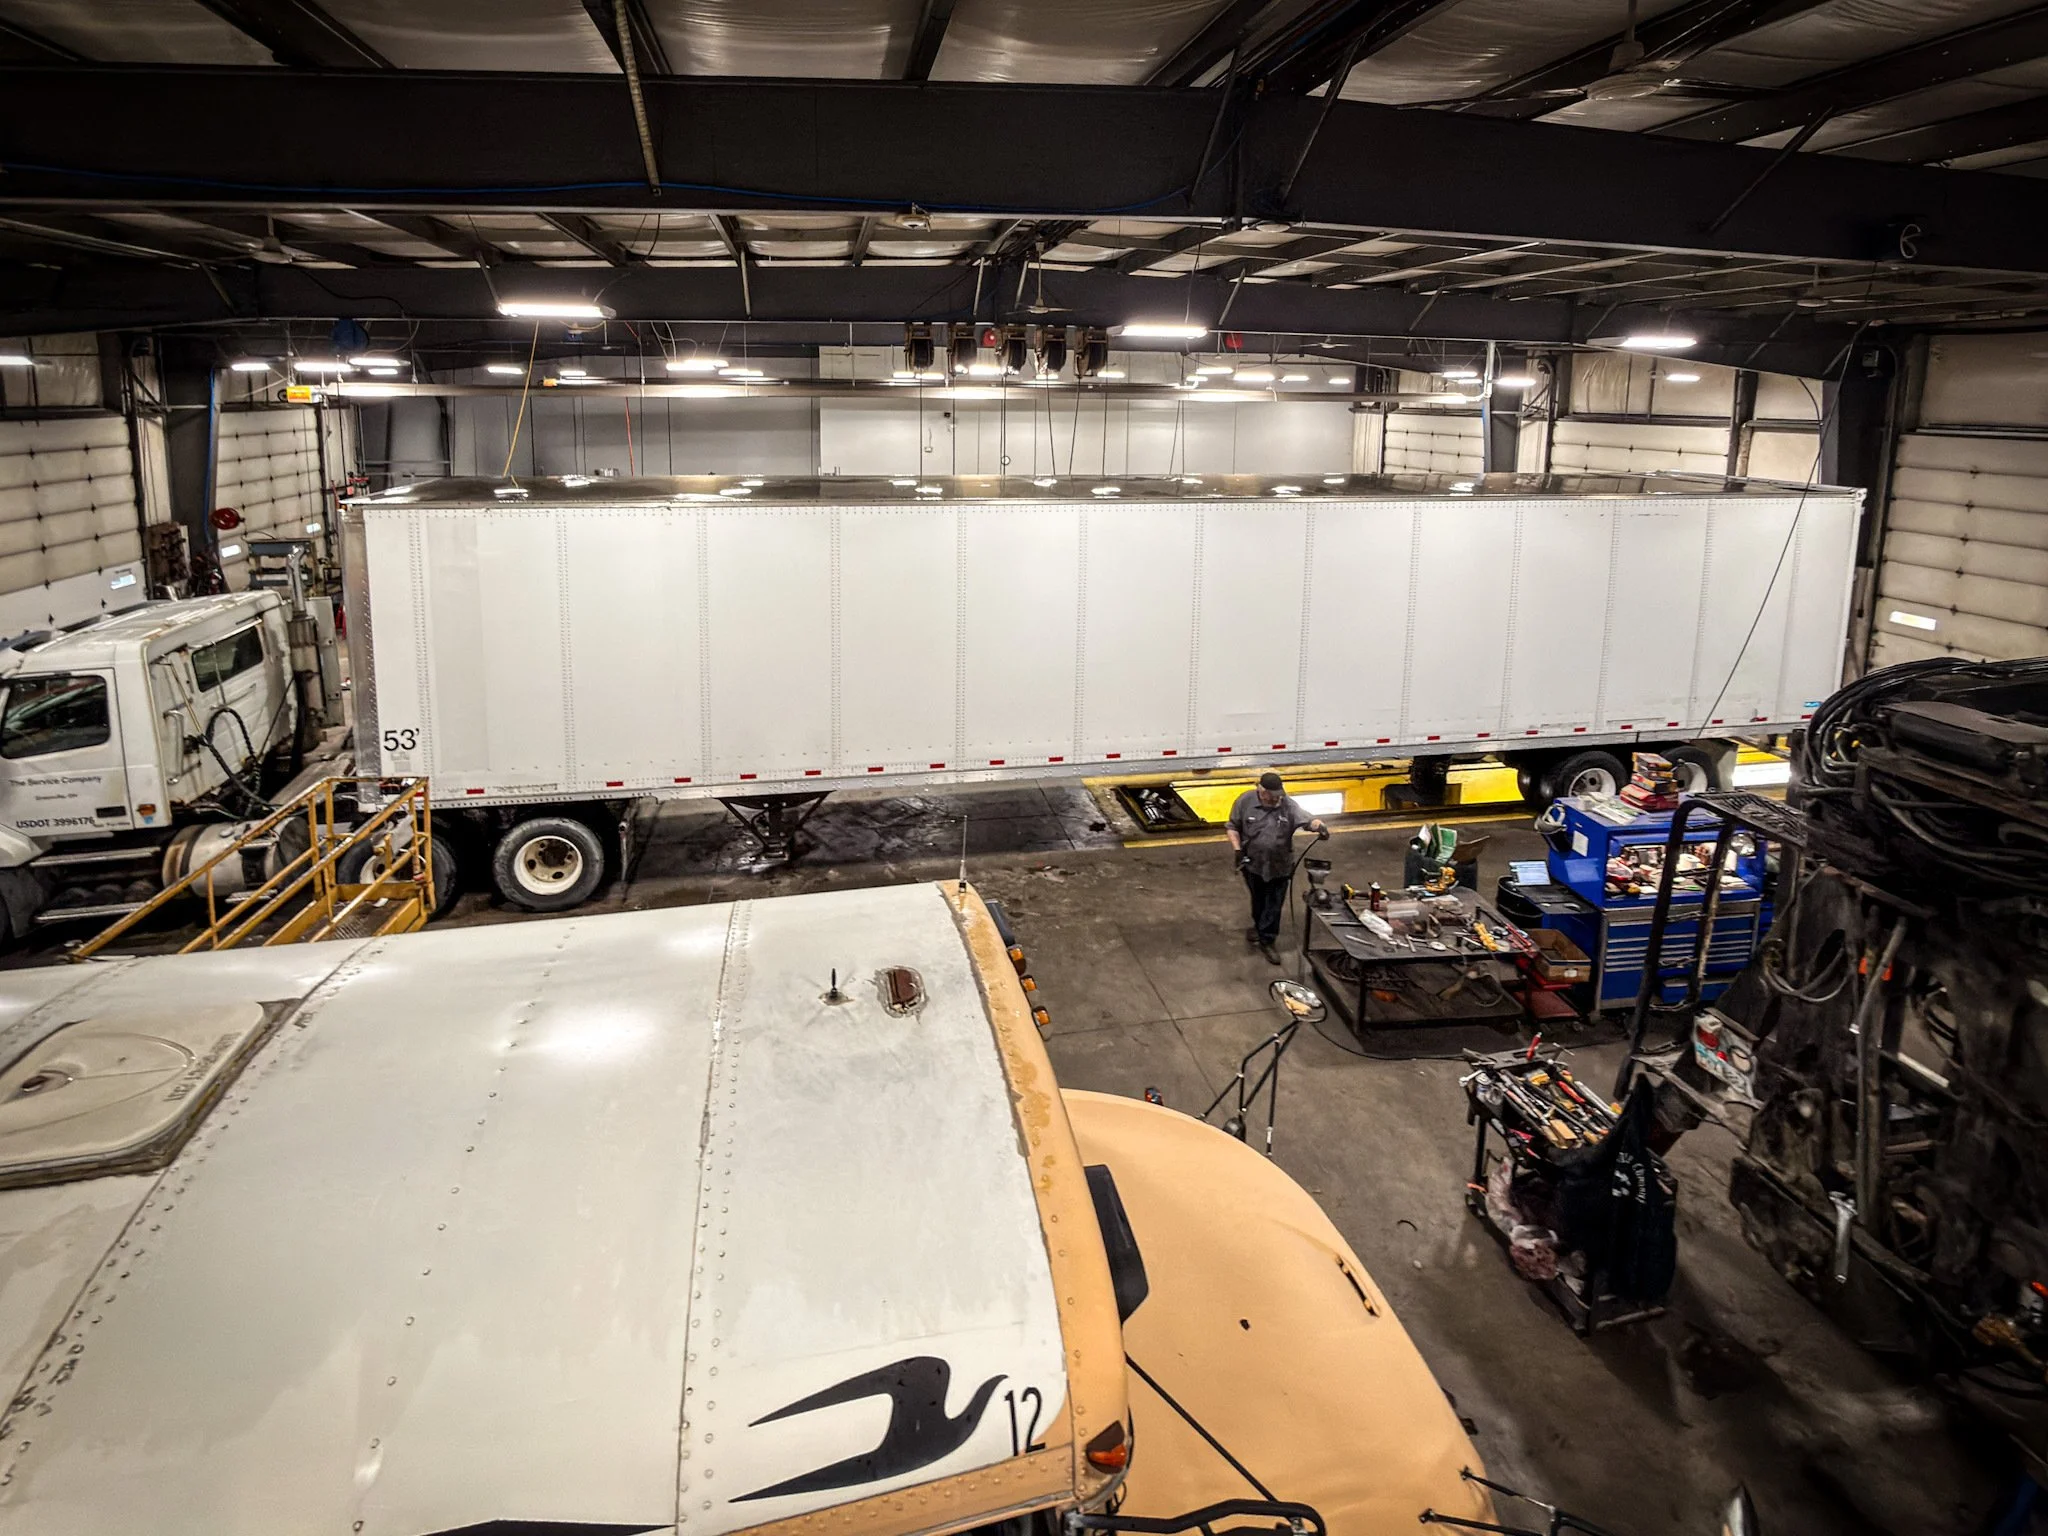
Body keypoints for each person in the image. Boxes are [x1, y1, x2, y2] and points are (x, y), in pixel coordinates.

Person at [1227, 771, 1327, 964]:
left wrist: (1319, 825)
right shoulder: (1245, 801)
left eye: (1278, 795)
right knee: (1258, 900)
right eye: (1272, 796)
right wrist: (1237, 850)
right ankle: (1259, 927)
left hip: (1280, 866)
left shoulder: (1287, 804)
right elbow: (1233, 826)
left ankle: (1268, 940)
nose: (1276, 799)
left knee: (1273, 903)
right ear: (1261, 790)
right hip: (1253, 863)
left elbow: (1306, 820)